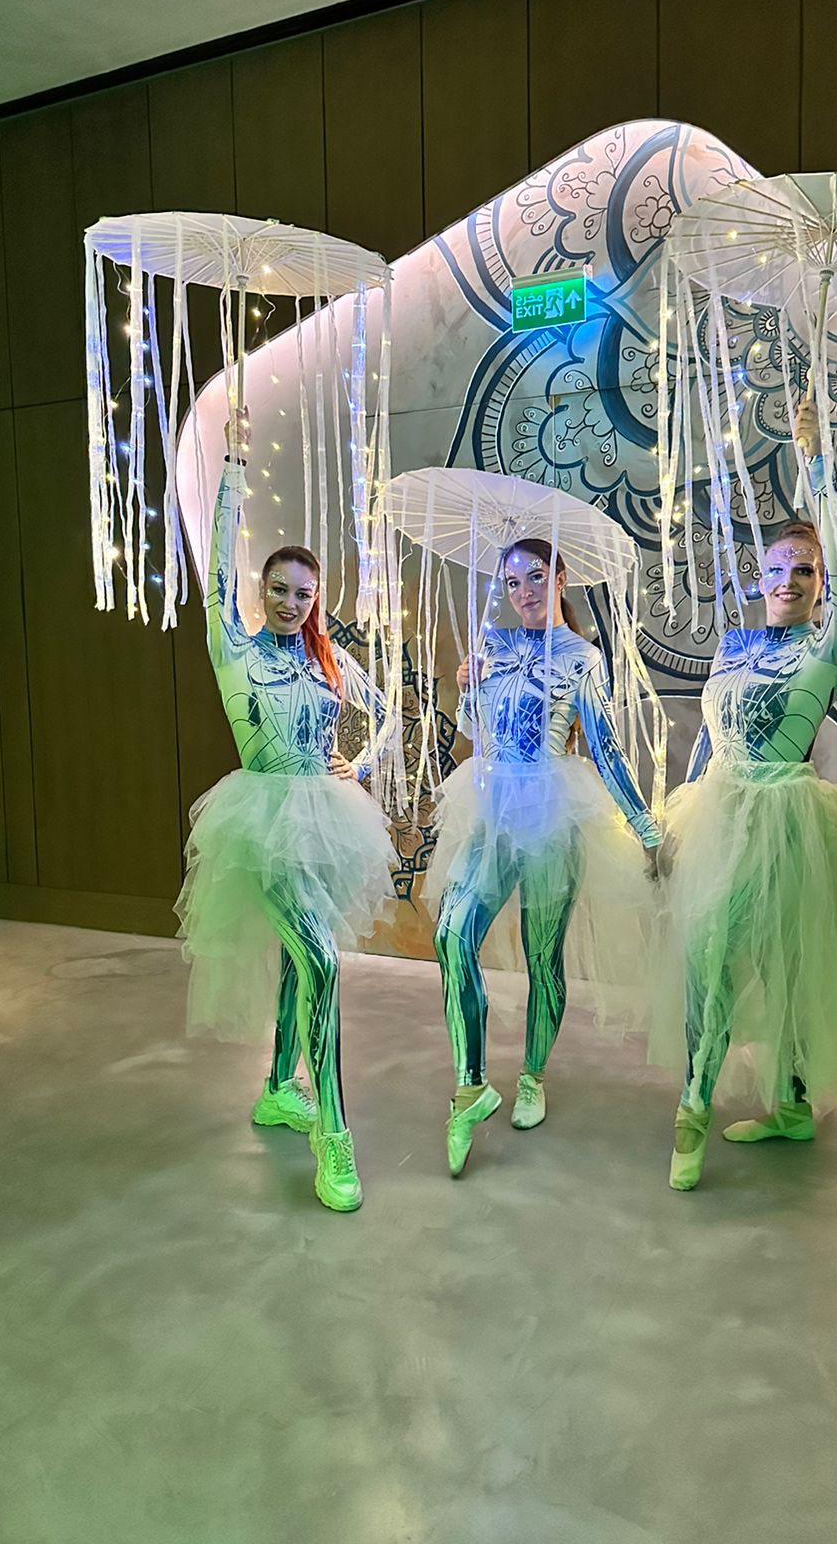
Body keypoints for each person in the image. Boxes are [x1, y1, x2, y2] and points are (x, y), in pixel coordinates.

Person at [650, 401, 837, 1191]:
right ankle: (710, 1097)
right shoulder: (734, 643)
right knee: (711, 960)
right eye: (778, 569)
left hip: (786, 822)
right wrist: (680, 813)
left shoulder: (829, 644)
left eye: (805, 571)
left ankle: (752, 1107)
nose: (789, 581)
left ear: (821, 584)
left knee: (784, 967)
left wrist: (815, 466)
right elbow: (711, 735)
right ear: (759, 578)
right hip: (721, 812)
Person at [175, 416, 397, 1213]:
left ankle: (277, 1086)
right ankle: (333, 1138)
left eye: (304, 594)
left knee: (301, 963)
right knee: (322, 963)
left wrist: (357, 765)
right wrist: (233, 468)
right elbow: (215, 576)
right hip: (260, 826)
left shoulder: (324, 663)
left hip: (325, 819)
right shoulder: (234, 651)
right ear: (260, 590)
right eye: (279, 589)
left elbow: (388, 716)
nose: (291, 604)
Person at [429, 537, 661, 1177]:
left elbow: (605, 747)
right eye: (512, 582)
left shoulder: (582, 657)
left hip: (553, 813)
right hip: (493, 807)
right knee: (451, 933)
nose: (524, 591)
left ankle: (533, 1074)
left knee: (542, 955)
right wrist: (467, 688)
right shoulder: (494, 645)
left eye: (536, 576)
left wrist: (644, 827)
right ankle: (471, 1086)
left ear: (560, 579)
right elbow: (476, 732)